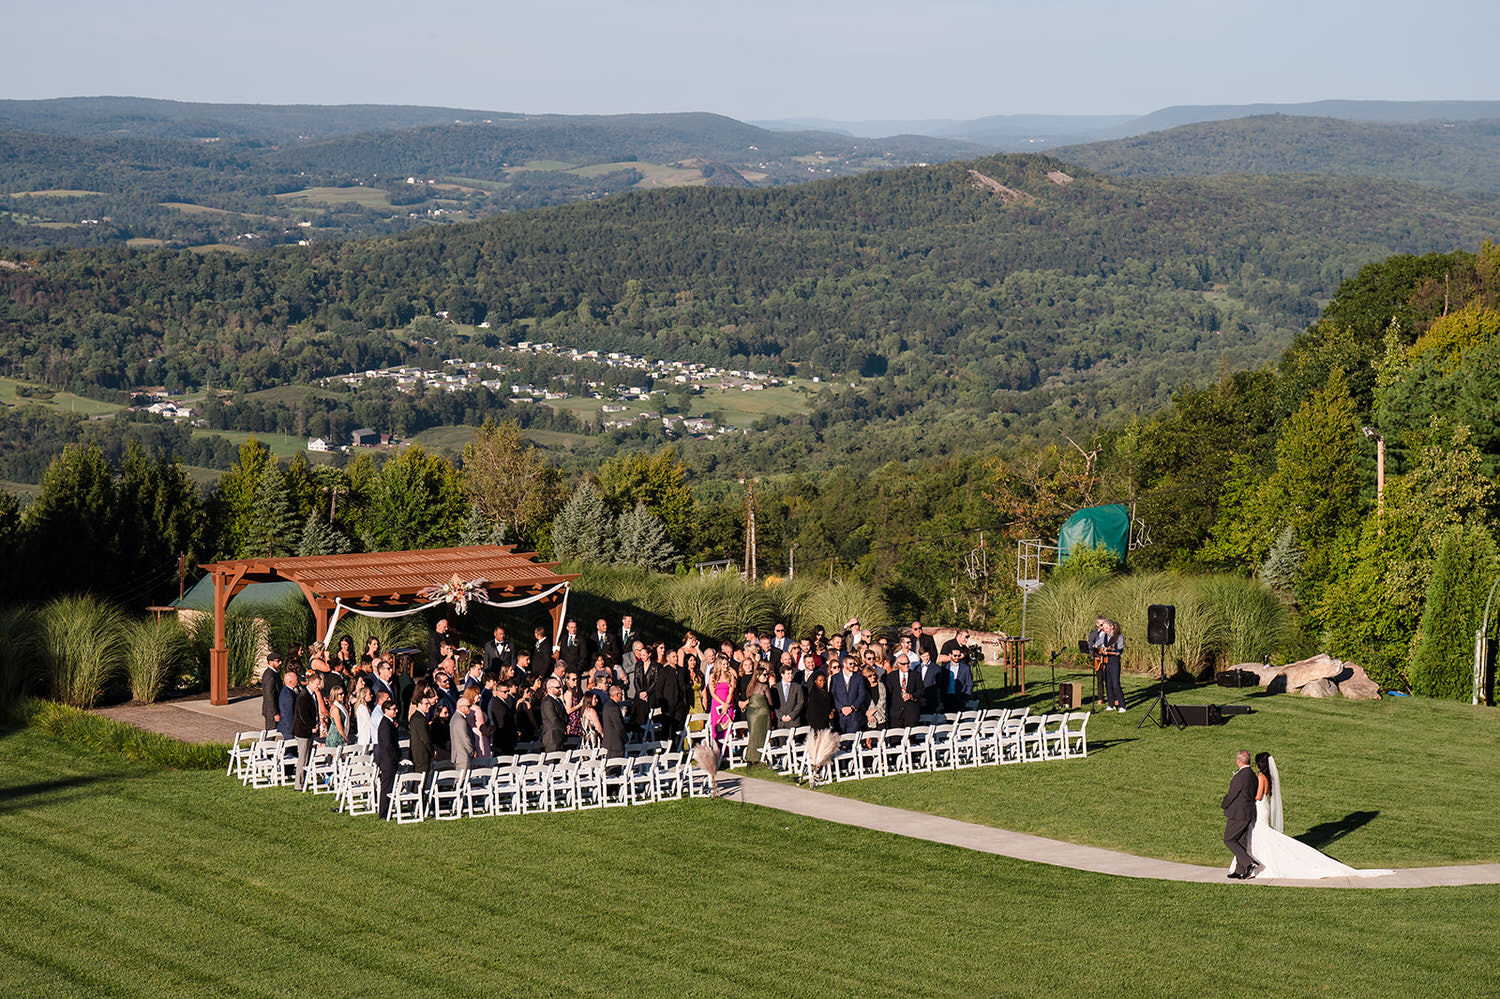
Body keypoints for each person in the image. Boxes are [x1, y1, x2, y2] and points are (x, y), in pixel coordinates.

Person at [1230, 753, 1392, 880]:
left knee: (1261, 835)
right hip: (1263, 808)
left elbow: (1258, 796)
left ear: (1260, 764)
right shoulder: (1267, 778)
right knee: (1258, 835)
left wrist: (1244, 797)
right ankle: (1249, 865)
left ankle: (1254, 865)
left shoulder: (1261, 777)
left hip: (1259, 807)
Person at [1222, 750, 1260, 879]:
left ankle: (1249, 862)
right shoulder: (1253, 776)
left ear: (1238, 761)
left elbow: (1232, 795)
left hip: (1238, 814)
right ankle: (1241, 870)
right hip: (1249, 812)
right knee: (1241, 841)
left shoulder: (1240, 777)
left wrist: (1224, 804)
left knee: (1229, 839)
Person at [741, 666, 773, 765]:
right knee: (763, 735)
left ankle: (751, 758)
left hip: (751, 714)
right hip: (762, 714)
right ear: (758, 675)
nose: (766, 677)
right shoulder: (764, 687)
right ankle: (761, 757)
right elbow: (771, 702)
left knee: (753, 736)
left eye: (767, 675)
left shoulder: (751, 686)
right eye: (764, 675)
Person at [374, 697, 400, 818]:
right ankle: (383, 812)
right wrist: (396, 757)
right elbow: (388, 745)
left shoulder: (388, 723)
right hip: (388, 760)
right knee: (386, 787)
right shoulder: (385, 724)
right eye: (393, 709)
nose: (396, 711)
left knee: (389, 786)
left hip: (389, 759)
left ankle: (387, 809)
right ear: (386, 710)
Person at [830, 657, 868, 734]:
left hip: (854, 715)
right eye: (850, 663)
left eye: (854, 664)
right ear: (844, 664)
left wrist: (853, 707)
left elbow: (862, 694)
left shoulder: (859, 677)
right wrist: (841, 708)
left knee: (853, 739)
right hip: (840, 715)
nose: (853, 665)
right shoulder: (835, 678)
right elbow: (832, 695)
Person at [885, 654, 923, 729]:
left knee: (911, 738)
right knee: (895, 738)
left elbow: (921, 691)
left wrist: (911, 696)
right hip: (896, 714)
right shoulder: (891, 676)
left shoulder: (916, 675)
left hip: (911, 713)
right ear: (898, 664)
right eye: (904, 664)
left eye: (908, 663)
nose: (907, 665)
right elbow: (888, 695)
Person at [708, 660, 736, 751]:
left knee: (727, 728)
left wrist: (727, 704)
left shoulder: (730, 676)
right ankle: (717, 751)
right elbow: (712, 693)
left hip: (728, 704)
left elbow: (731, 691)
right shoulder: (712, 676)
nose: (726, 666)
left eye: (727, 664)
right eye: (723, 664)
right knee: (717, 728)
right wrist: (722, 704)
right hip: (717, 705)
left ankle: (728, 752)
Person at [1099, 619, 1125, 712]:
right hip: (1107, 662)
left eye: (1106, 628)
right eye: (1104, 628)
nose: (1105, 630)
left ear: (1112, 627)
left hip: (1115, 662)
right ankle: (1111, 704)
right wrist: (1097, 647)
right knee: (1108, 683)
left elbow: (1119, 651)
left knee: (1115, 683)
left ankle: (1122, 705)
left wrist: (1109, 652)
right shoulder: (1105, 636)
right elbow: (1099, 644)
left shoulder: (1118, 636)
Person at [408, 688, 435, 774]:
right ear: (419, 704)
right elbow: (425, 739)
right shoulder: (420, 719)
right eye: (426, 704)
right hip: (422, 755)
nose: (429, 706)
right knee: (420, 781)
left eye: (429, 703)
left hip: (418, 755)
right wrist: (432, 751)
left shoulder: (416, 716)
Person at [540, 677, 568, 753]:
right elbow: (553, 719)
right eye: (557, 688)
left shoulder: (558, 700)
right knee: (551, 761)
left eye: (560, 687)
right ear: (550, 688)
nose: (560, 690)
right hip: (552, 738)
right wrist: (564, 728)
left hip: (560, 736)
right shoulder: (548, 702)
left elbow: (564, 714)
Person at [773, 663, 804, 730]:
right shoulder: (775, 688)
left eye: (791, 673)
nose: (791, 676)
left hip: (793, 722)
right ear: (782, 674)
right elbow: (773, 704)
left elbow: (800, 703)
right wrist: (781, 716)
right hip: (780, 723)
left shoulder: (798, 687)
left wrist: (791, 716)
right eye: (788, 674)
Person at [450, 693, 476, 772]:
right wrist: (472, 751)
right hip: (463, 756)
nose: (470, 709)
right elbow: (465, 739)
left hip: (461, 755)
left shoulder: (456, 718)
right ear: (460, 707)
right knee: (461, 781)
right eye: (468, 706)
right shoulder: (460, 720)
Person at [261, 653, 283, 731]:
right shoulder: (269, 675)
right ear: (271, 662)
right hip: (271, 712)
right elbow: (269, 696)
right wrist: (275, 713)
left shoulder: (274, 673)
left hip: (274, 710)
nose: (280, 663)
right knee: (271, 734)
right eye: (278, 661)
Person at [276, 668, 298, 739]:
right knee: (291, 747)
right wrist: (293, 729)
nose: (298, 681)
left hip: (287, 726)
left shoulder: (287, 691)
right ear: (291, 682)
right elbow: (289, 713)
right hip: (288, 727)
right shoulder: (288, 695)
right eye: (296, 679)